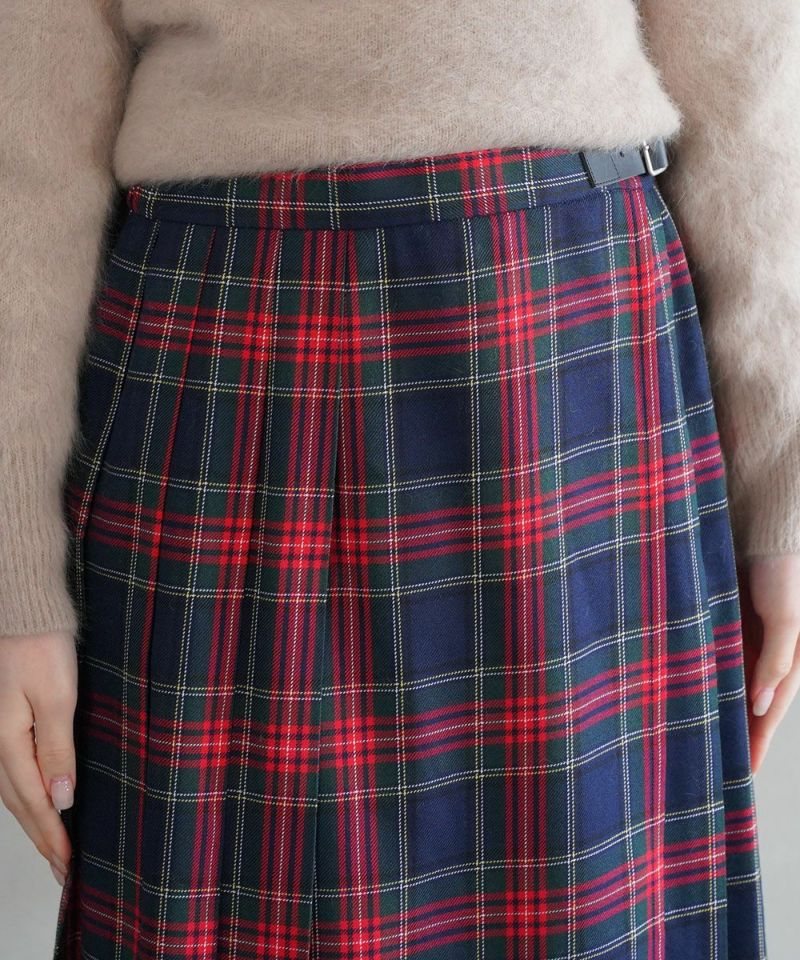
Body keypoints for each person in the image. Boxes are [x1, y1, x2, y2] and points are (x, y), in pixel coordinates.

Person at [1, 2, 797, 957]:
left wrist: (782, 477)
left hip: (566, 344)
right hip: (231, 345)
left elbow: (740, 70)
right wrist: (15, 577)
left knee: (596, 911)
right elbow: (30, 146)